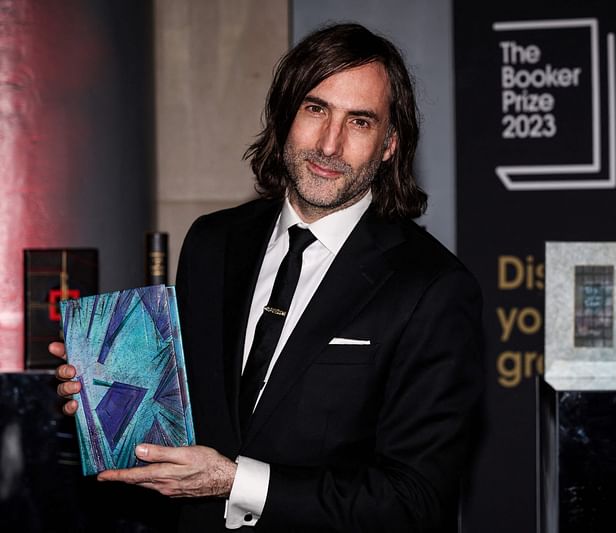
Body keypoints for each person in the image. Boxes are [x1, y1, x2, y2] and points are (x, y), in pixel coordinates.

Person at [52, 23, 483, 532]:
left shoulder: (432, 286)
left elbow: (414, 500)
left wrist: (236, 482)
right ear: (284, 116)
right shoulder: (212, 242)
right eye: (316, 109)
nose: (329, 144)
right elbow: (180, 414)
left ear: (389, 144)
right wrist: (107, 397)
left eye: (360, 122)